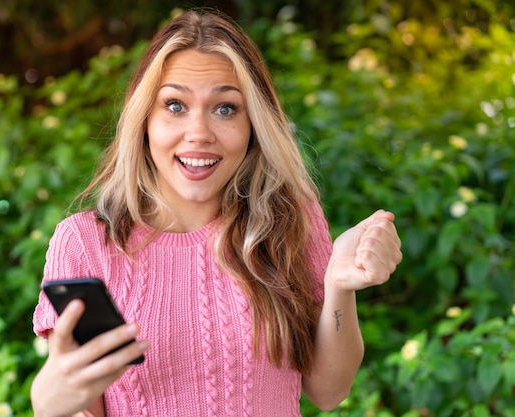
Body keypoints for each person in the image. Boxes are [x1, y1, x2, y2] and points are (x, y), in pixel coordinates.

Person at [30, 8, 402, 417]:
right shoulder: (86, 243)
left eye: (225, 108)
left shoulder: (288, 220)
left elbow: (329, 392)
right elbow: (78, 401)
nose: (199, 133)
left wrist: (338, 286)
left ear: (253, 124)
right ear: (144, 120)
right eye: (175, 105)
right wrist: (51, 404)